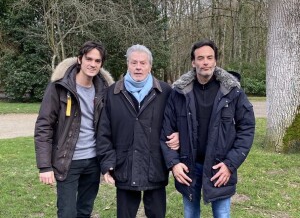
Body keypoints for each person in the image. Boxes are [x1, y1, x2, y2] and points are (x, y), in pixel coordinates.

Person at [160, 39, 255, 218]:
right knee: (191, 214)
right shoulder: (179, 93)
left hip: (220, 167)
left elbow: (247, 128)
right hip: (188, 167)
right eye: (200, 58)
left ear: (215, 61)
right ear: (193, 62)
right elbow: (166, 129)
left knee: (222, 215)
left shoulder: (232, 92)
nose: (205, 62)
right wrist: (174, 164)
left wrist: (230, 164)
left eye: (209, 58)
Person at [97, 44, 178, 218]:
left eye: (143, 63)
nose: (138, 67)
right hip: (124, 166)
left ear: (150, 66)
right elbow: (104, 132)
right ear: (128, 64)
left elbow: (178, 122)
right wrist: (107, 163)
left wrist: (178, 135)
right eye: (134, 62)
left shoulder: (165, 92)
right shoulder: (112, 93)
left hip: (155, 167)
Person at [34, 41, 114, 218]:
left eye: (97, 61)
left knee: (84, 211)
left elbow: (111, 128)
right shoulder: (59, 88)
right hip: (67, 162)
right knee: (67, 213)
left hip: (93, 162)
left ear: (101, 64)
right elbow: (43, 126)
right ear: (80, 59)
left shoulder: (104, 91)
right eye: (89, 59)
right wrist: (45, 166)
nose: (92, 64)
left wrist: (108, 162)